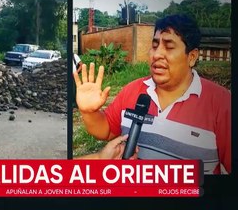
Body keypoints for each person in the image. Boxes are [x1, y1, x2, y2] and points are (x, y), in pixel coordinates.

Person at [73, 14, 231, 174]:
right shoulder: (132, 90)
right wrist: (89, 112)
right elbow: (106, 131)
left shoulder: (222, 103)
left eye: (169, 47)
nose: (157, 55)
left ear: (192, 57)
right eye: (155, 46)